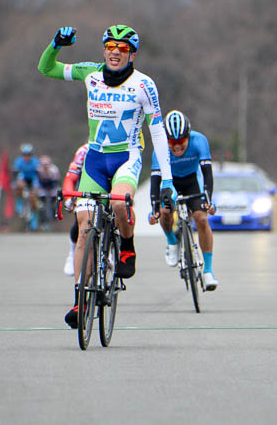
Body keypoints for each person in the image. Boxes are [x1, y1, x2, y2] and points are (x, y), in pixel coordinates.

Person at [38, 24, 176, 328]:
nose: (115, 52)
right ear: (104, 49)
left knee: (117, 203)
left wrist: (167, 180)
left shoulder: (144, 85)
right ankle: (79, 299)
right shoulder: (90, 73)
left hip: (127, 157)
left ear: (133, 54)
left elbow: (157, 131)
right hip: (95, 159)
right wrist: (56, 43)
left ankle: (127, 247)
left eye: (123, 48)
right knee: (84, 227)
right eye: (111, 46)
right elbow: (46, 68)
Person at [148, 110, 219, 290]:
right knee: (165, 212)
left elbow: (207, 174)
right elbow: (155, 182)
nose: (177, 147)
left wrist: (208, 200)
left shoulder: (199, 141)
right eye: (173, 143)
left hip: (192, 181)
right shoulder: (160, 148)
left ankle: (208, 271)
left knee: (202, 219)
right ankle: (172, 241)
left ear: (188, 136)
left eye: (181, 142)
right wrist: (155, 207)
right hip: (169, 183)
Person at [61, 142, 89, 276]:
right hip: (84, 190)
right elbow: (70, 178)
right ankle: (73, 251)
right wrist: (69, 197)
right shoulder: (83, 150)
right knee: (80, 222)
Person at [12, 143, 40, 230]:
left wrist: (35, 188)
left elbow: (38, 174)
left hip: (33, 179)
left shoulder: (35, 161)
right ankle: (19, 203)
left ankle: (34, 218)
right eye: (25, 155)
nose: (27, 157)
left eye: (28, 155)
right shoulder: (19, 161)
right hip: (23, 178)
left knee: (33, 196)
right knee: (19, 185)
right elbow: (16, 172)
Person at [37, 155, 61, 231]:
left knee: (54, 200)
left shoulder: (54, 169)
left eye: (46, 165)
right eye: (43, 165)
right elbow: (37, 181)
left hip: (52, 187)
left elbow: (57, 181)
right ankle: (42, 220)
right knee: (41, 205)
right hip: (43, 188)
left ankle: (54, 214)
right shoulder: (38, 170)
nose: (45, 167)